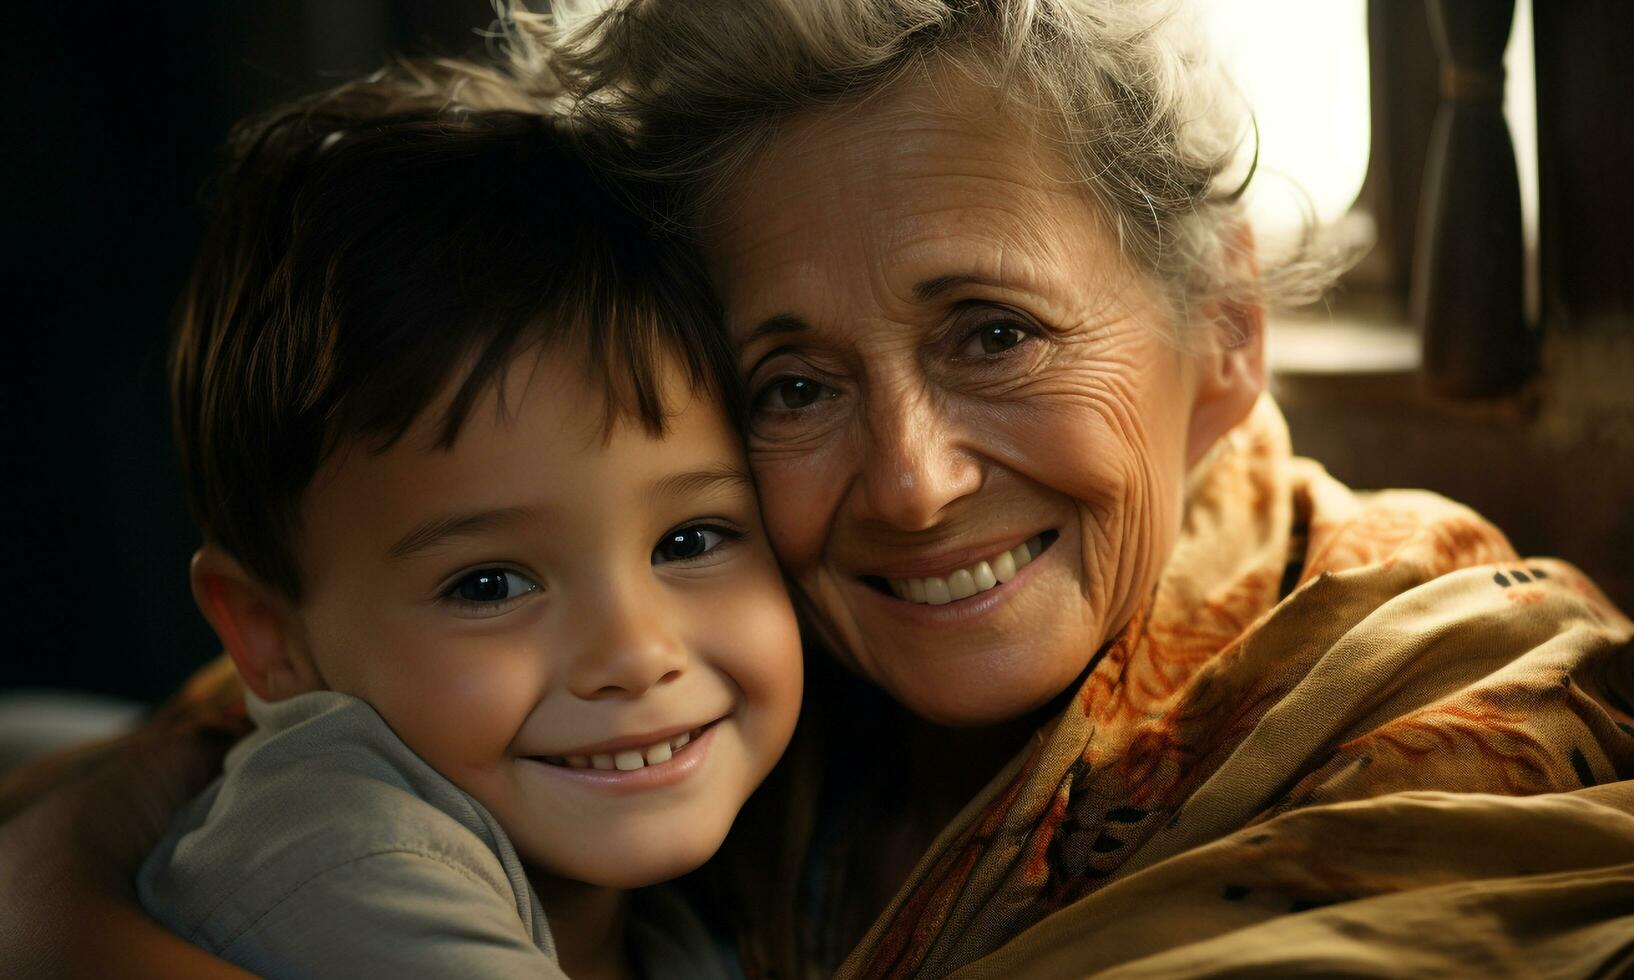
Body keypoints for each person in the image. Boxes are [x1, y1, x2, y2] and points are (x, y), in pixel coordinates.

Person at [3, 2, 1633, 977]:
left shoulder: (1455, 710)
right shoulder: (701, 637)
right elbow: (238, 739)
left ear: (1218, 335)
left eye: (990, 332)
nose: (910, 486)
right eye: (791, 383)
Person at [132, 62, 802, 980]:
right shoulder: (342, 851)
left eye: (690, 540)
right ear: (267, 632)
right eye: (488, 585)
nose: (637, 655)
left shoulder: (671, 918)